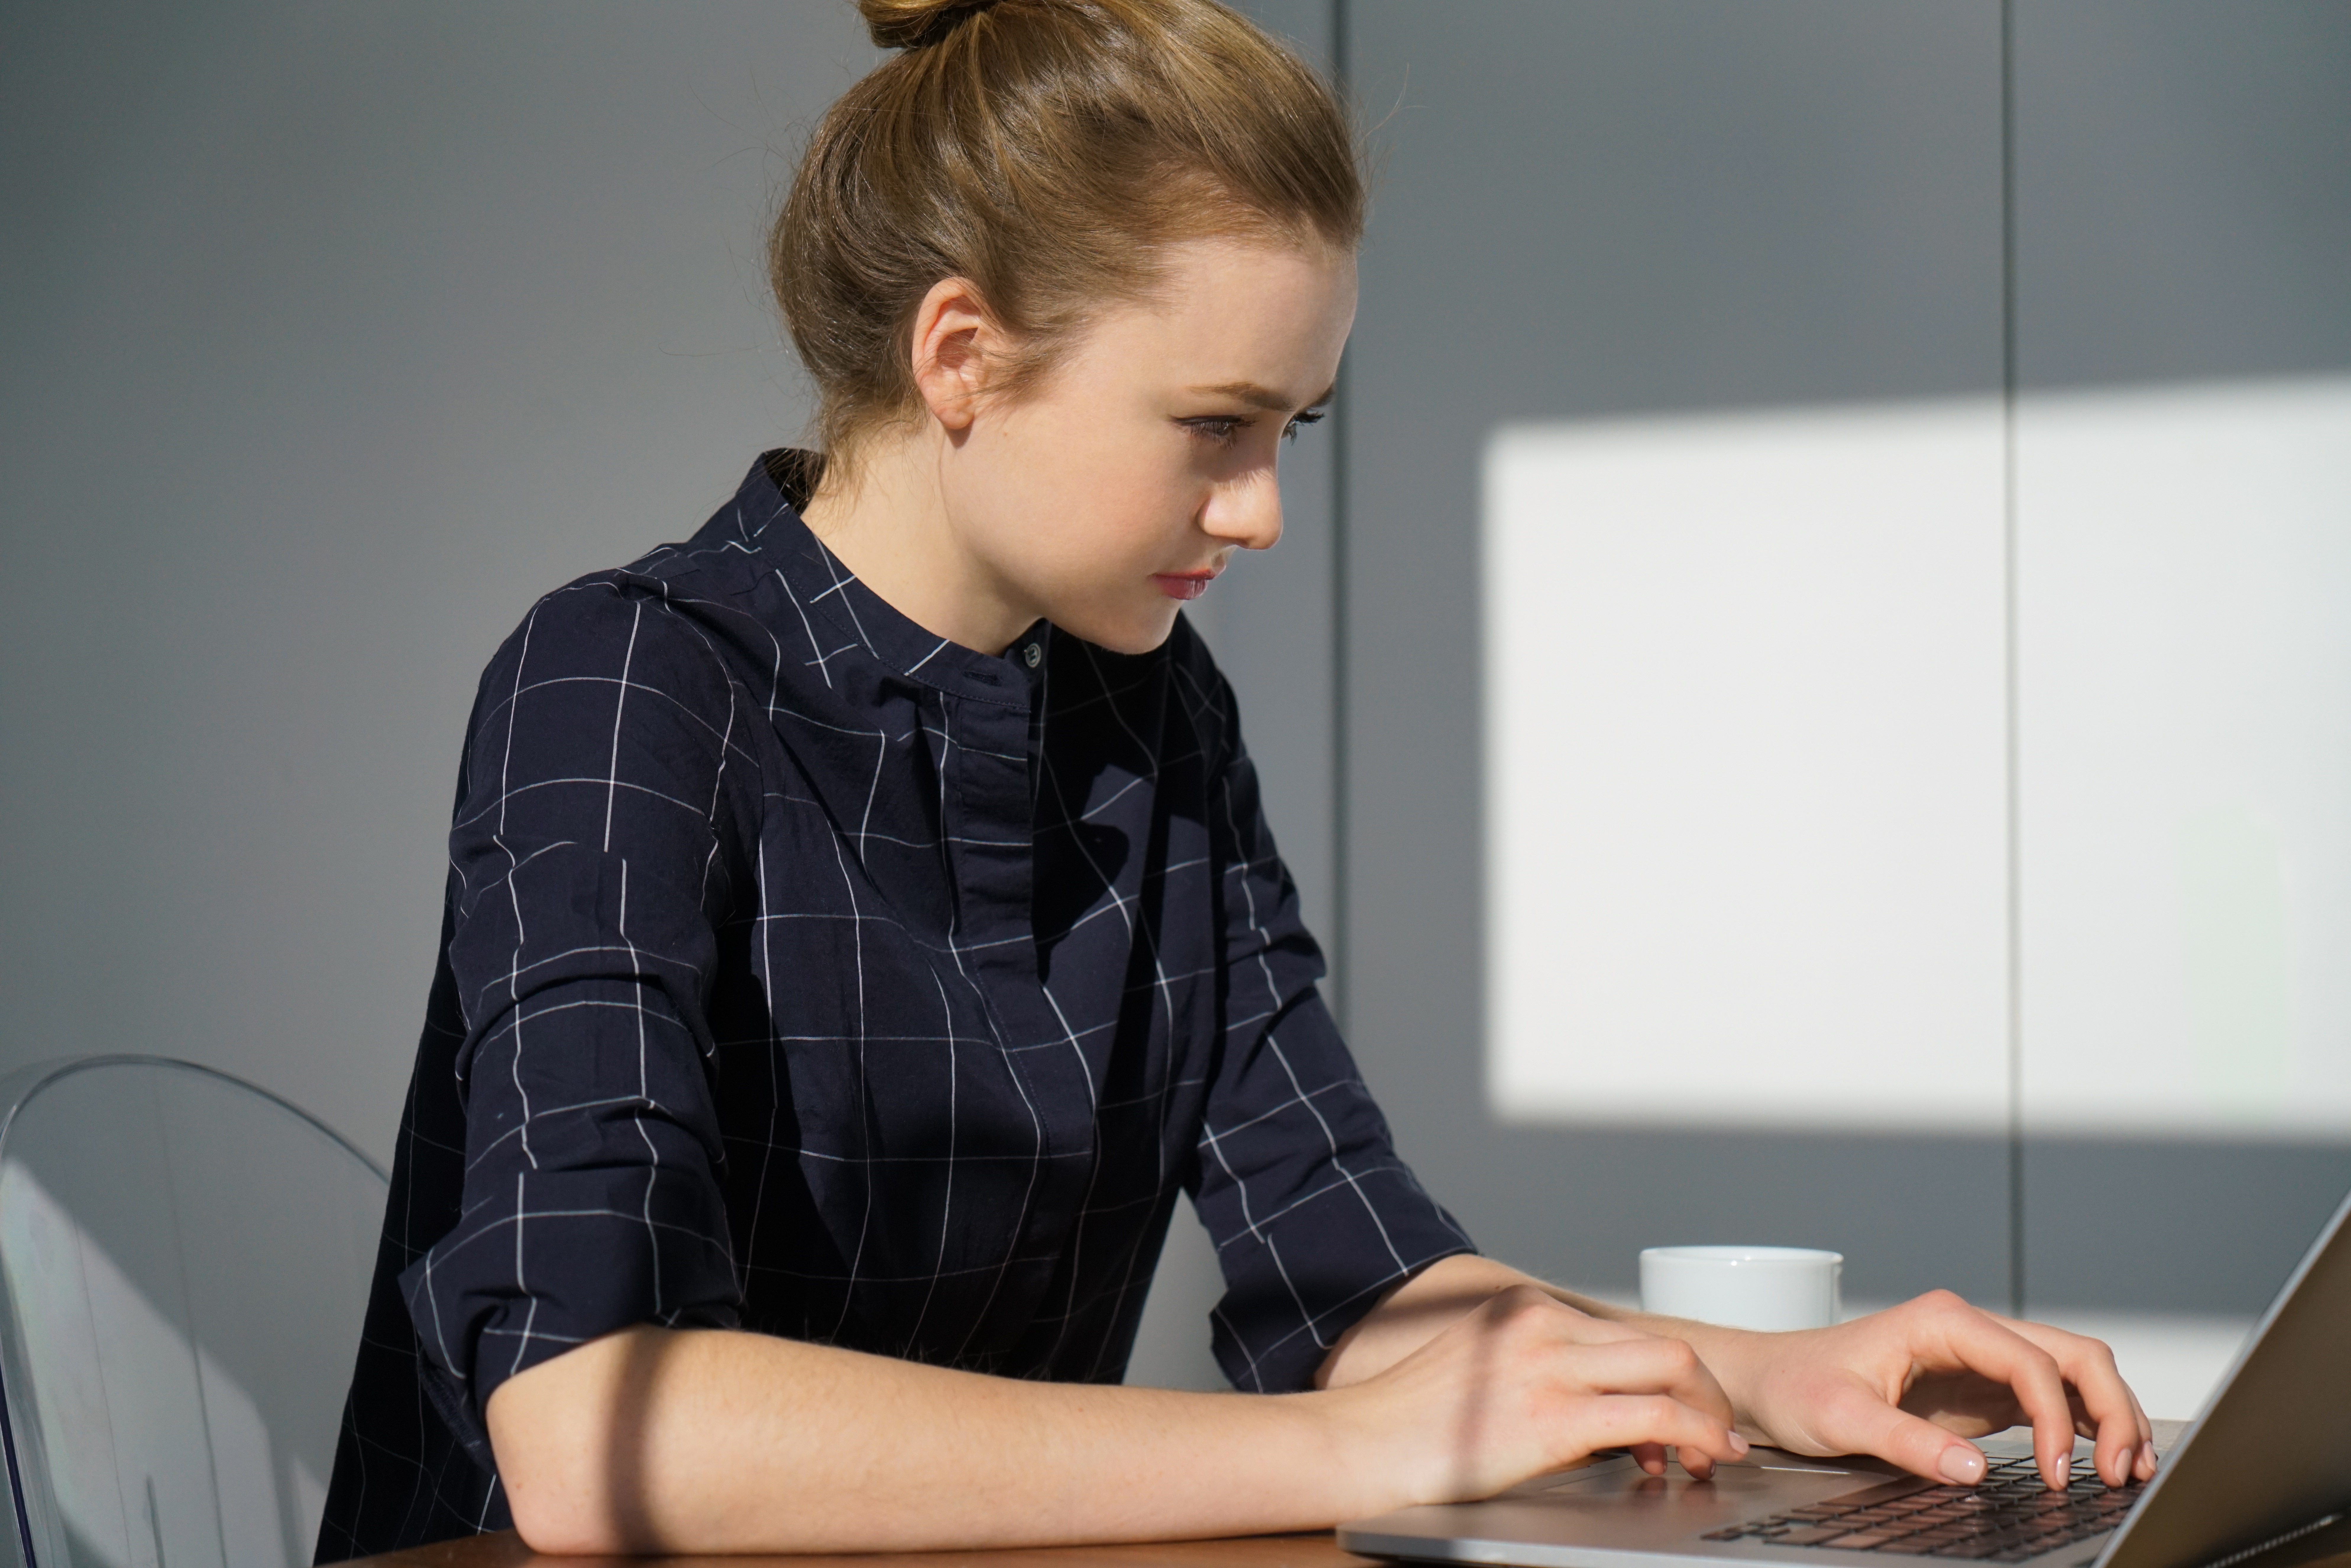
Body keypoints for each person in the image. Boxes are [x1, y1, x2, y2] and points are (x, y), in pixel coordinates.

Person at [317, 0, 2156, 1557]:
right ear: (961, 355)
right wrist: (1348, 1452)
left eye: (1290, 431)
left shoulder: (1153, 717)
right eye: (1214, 425)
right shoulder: (625, 679)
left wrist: (1759, 1369)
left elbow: (1352, 1267)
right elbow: (589, 1431)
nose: (1263, 509)